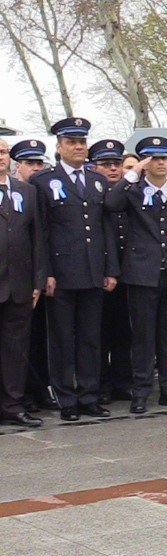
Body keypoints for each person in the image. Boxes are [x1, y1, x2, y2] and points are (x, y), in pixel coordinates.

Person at [104, 136, 167, 414]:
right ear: (145, 162)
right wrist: (132, 173)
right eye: (155, 159)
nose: (162, 163)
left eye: (165, 158)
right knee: (143, 337)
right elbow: (111, 203)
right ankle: (141, 391)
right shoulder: (133, 191)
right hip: (142, 274)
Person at [32, 117, 119, 422]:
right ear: (59, 147)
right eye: (72, 142)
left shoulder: (96, 180)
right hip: (61, 274)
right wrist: (46, 272)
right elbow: (41, 232)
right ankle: (67, 399)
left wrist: (111, 269)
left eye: (82, 142)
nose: (79, 147)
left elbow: (105, 228)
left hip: (93, 271)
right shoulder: (43, 181)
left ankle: (89, 396)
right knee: (61, 340)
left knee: (90, 339)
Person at [0, 138, 46, 427]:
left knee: (15, 350)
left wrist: (37, 281)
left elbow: (37, 238)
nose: (0, 156)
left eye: (3, 151)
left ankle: (12, 405)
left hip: (19, 284)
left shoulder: (25, 191)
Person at [89, 139, 133, 402]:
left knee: (123, 332)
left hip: (128, 271)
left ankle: (122, 381)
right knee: (99, 333)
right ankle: (102, 384)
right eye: (106, 164)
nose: (113, 169)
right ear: (94, 167)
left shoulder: (128, 192)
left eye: (117, 163)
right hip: (101, 272)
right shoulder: (93, 193)